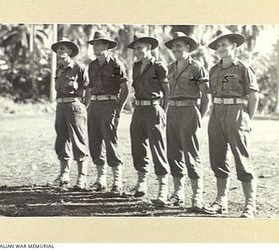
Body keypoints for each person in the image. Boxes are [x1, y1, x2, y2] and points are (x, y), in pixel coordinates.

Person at [205, 28, 259, 218]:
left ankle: (250, 205)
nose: (221, 48)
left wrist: (246, 119)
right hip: (217, 112)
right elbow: (212, 95)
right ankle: (221, 200)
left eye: (224, 45)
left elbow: (253, 97)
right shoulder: (214, 69)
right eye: (218, 45)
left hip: (236, 113)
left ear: (234, 46)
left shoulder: (243, 67)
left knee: (241, 158)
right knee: (217, 157)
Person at [164, 32, 210, 211]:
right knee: (173, 153)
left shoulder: (196, 67)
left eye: (179, 46)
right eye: (173, 46)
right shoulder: (170, 67)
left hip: (189, 110)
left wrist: (199, 115)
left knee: (191, 154)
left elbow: (206, 95)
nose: (176, 49)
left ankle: (197, 196)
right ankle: (177, 193)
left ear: (188, 48)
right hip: (173, 111)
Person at [126, 34, 170, 205]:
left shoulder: (159, 66)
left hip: (154, 108)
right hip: (139, 109)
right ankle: (141, 182)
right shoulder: (136, 66)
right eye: (135, 48)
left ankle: (163, 188)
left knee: (157, 147)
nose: (137, 51)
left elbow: (167, 91)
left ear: (149, 48)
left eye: (140, 48)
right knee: (137, 145)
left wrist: (163, 112)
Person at [85, 31, 129, 194]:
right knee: (94, 141)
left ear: (106, 46)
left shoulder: (116, 64)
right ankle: (100, 179)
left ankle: (117, 181)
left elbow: (125, 89)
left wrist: (118, 108)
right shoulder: (92, 65)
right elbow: (89, 88)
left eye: (99, 44)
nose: (95, 47)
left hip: (109, 105)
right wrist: (87, 105)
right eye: (94, 44)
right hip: (94, 105)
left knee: (110, 141)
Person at [51, 38, 90, 190]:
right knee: (61, 141)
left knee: (78, 142)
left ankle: (82, 177)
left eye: (63, 49)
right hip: (60, 106)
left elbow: (87, 89)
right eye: (58, 49)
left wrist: (82, 106)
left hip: (74, 106)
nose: (60, 52)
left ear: (70, 52)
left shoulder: (78, 68)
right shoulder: (59, 69)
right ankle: (64, 174)